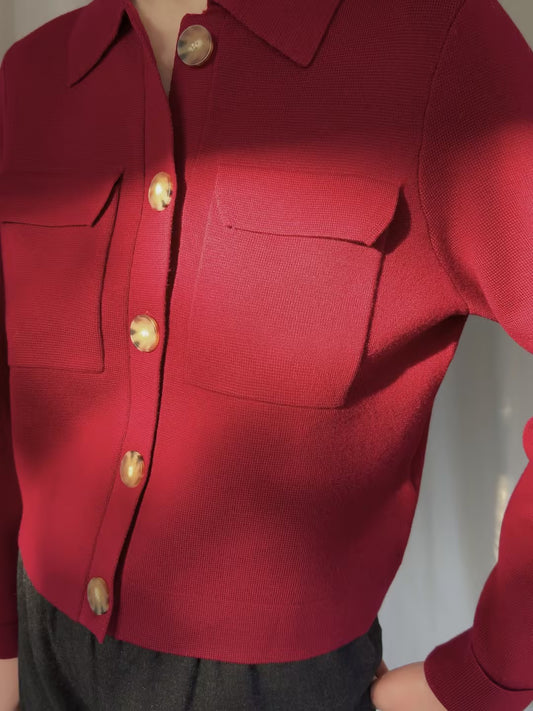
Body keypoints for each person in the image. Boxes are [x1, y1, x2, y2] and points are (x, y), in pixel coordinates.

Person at [0, 0, 532, 708]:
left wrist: (483, 675)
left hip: (271, 688)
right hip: (40, 645)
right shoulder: (31, 73)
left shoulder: (439, 45)